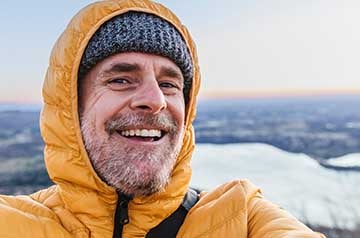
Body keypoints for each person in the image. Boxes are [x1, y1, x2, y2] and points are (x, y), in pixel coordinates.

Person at [0, 0, 325, 237]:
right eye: (121, 79)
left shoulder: (242, 218)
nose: (155, 101)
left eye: (169, 84)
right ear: (71, 106)